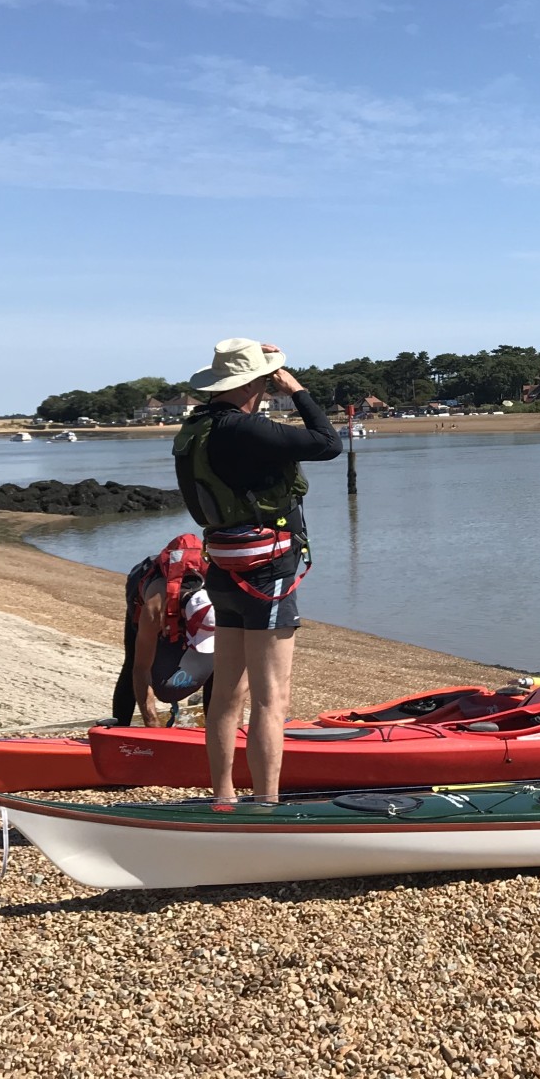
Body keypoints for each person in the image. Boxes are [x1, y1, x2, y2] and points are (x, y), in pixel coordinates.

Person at [174, 338, 342, 802]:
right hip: (265, 573)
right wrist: (298, 391)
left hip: (224, 568)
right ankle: (267, 804)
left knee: (227, 691)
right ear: (256, 382)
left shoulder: (199, 427)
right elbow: (329, 443)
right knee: (272, 698)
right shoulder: (246, 430)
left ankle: (224, 796)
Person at [112, 533, 215, 727]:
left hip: (190, 595)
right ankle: (119, 727)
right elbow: (141, 670)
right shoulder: (154, 609)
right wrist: (153, 725)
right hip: (144, 590)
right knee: (132, 662)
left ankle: (214, 726)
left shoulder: (220, 592)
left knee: (219, 667)